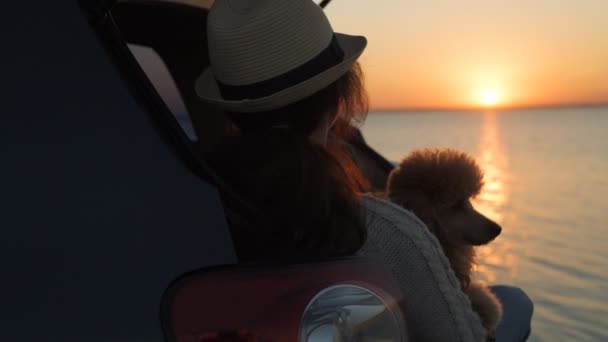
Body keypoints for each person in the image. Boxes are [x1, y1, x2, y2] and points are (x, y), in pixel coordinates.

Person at [196, 0, 533, 340]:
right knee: (516, 302)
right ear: (337, 101)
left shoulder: (195, 209)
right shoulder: (381, 230)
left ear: (234, 112)